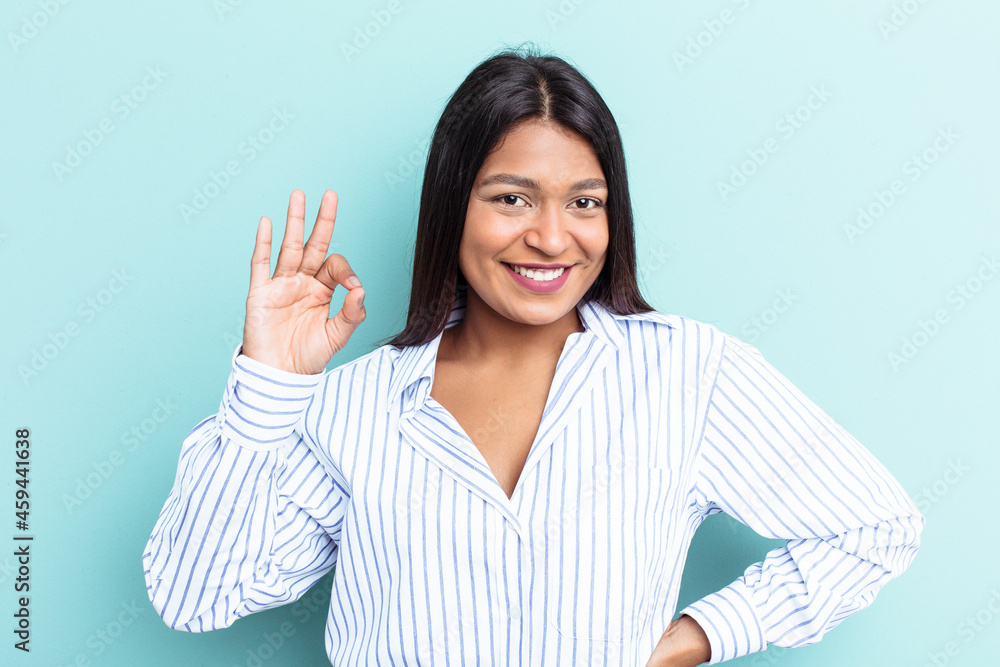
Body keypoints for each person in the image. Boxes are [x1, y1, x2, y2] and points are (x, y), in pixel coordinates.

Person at [143, 46, 924, 666]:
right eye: (512, 197)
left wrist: (697, 635)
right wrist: (268, 385)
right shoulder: (354, 405)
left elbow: (875, 527)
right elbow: (194, 597)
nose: (553, 238)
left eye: (585, 201)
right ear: (454, 206)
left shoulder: (690, 374)